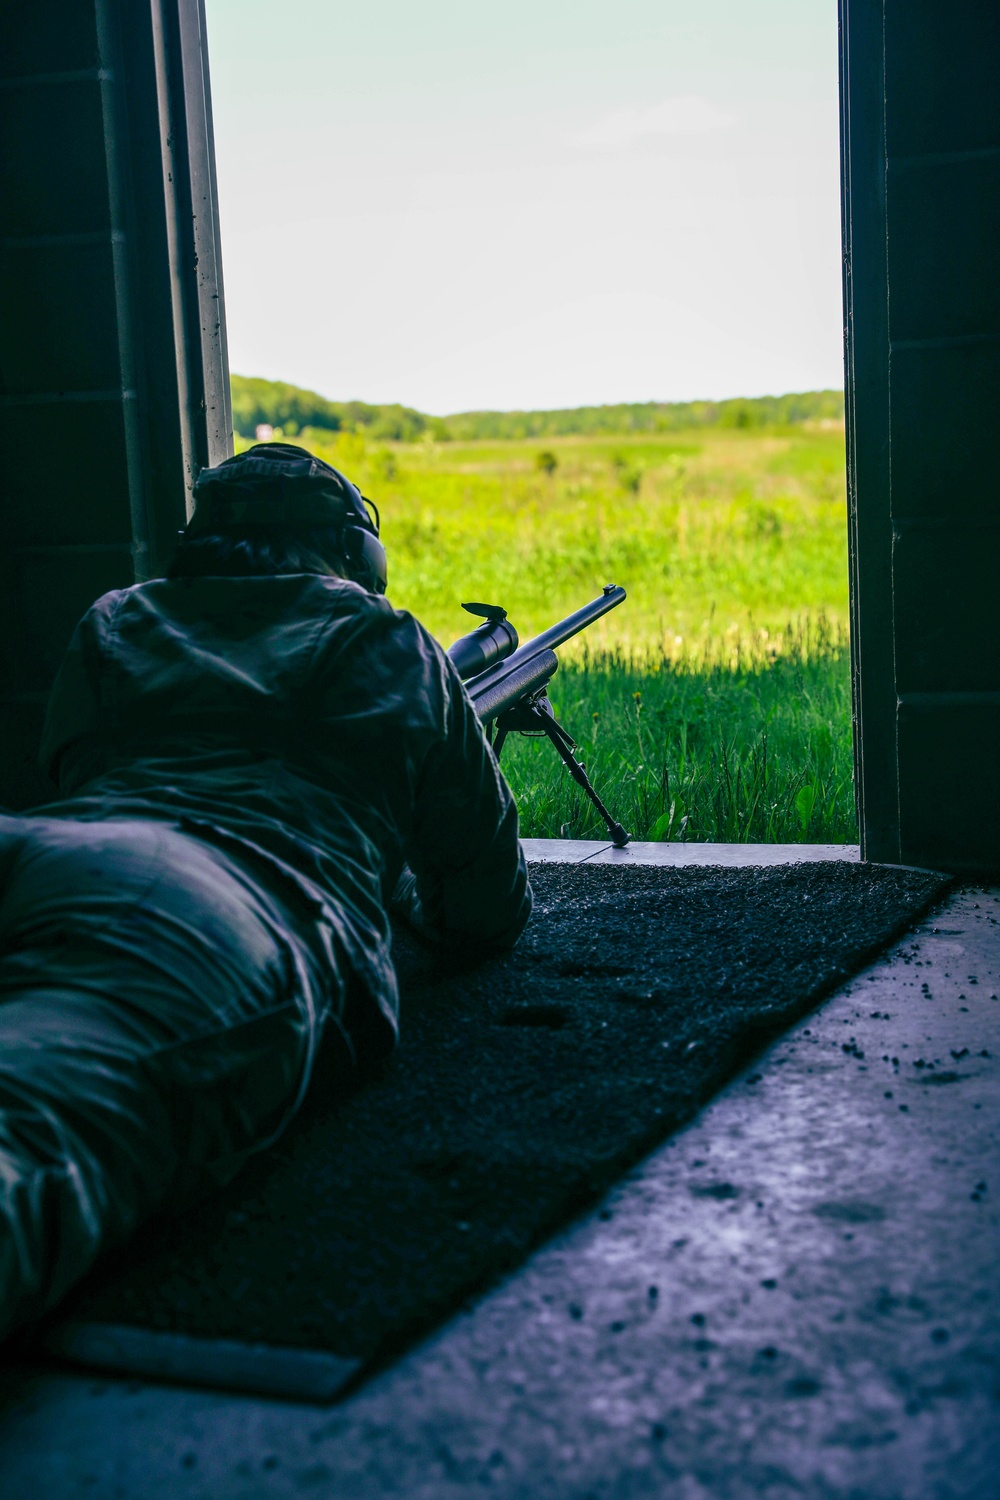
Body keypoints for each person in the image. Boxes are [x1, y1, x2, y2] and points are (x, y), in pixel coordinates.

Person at [0, 443, 531, 1343]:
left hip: (40, 847)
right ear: (356, 551)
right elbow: (487, 909)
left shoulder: (116, 620)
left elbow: (79, 771)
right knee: (31, 1150)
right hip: (207, 904)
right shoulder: (388, 642)